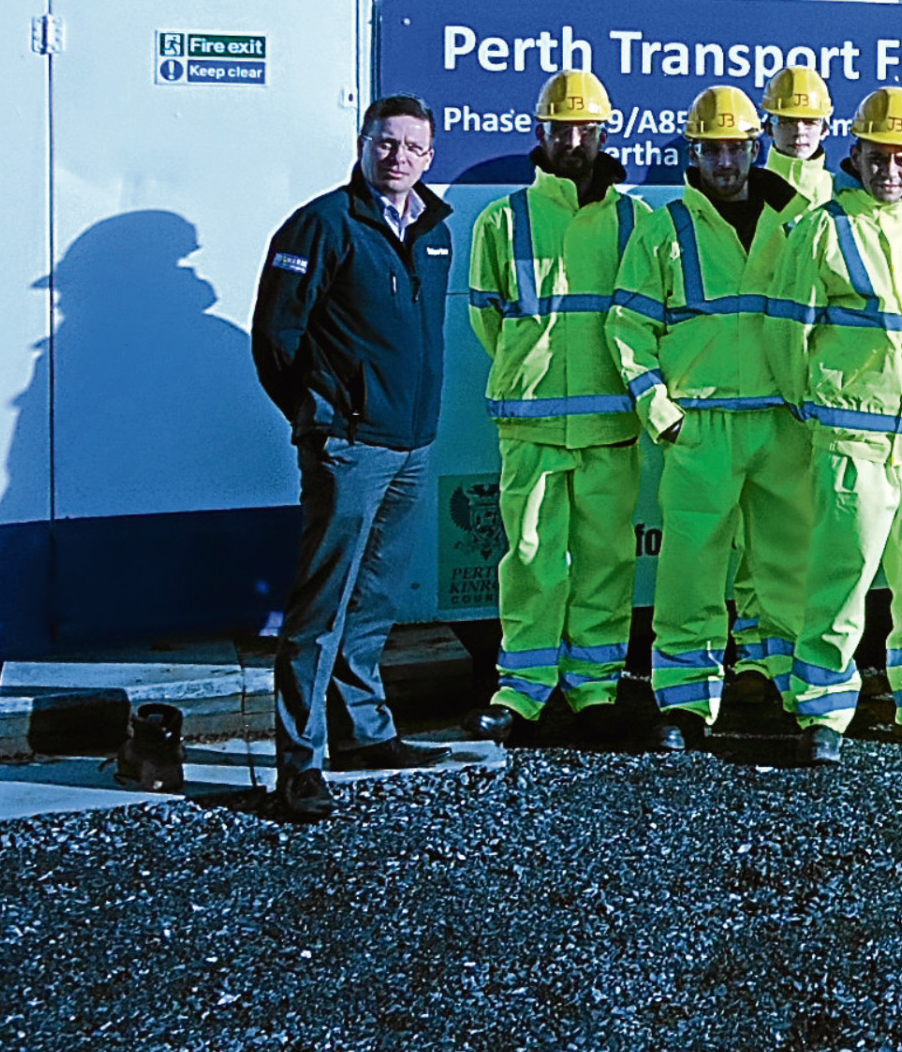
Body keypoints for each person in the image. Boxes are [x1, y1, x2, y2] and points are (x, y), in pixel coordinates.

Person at [248, 96, 458, 821]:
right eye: (385, 143)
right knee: (321, 604)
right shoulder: (323, 224)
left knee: (375, 600)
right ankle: (298, 763)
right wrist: (322, 420)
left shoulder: (435, 229)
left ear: (430, 157)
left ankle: (363, 734)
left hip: (411, 446)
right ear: (363, 144)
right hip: (350, 446)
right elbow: (277, 338)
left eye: (412, 147)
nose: (398, 157)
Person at [757, 87, 902, 762]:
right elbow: (785, 333)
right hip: (853, 439)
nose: (889, 170)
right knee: (838, 579)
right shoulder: (824, 227)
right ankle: (822, 711)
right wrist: (814, 405)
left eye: (901, 158)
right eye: (877, 157)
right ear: (855, 153)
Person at [608, 85, 814, 751]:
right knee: (690, 570)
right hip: (702, 426)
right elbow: (628, 326)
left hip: (782, 421)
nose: (726, 161)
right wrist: (660, 412)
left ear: (758, 147)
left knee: (784, 565)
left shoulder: (799, 216)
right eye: (713, 149)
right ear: (693, 152)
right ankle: (685, 704)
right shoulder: (663, 225)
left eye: (737, 147)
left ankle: (776, 681)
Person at [462, 70, 643, 743]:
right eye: (560, 128)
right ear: (538, 132)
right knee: (532, 558)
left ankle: (594, 690)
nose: (572, 140)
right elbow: (487, 318)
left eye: (585, 129)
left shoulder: (634, 220)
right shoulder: (502, 219)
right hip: (532, 422)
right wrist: (533, 374)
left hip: (608, 425)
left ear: (604, 133)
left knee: (605, 561)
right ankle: (523, 689)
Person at [760, 64, 836, 205]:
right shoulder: (747, 193)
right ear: (769, 128)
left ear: (824, 129)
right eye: (787, 122)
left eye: (810, 122)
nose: (799, 131)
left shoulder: (840, 192)